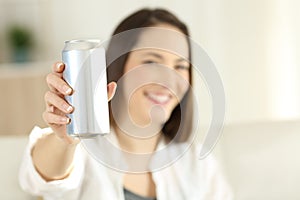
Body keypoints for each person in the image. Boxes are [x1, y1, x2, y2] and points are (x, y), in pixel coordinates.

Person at [19, 8, 233, 200]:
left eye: (180, 66)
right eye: (151, 61)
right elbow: (44, 178)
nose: (169, 80)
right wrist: (65, 140)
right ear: (118, 66)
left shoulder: (196, 162)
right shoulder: (81, 152)